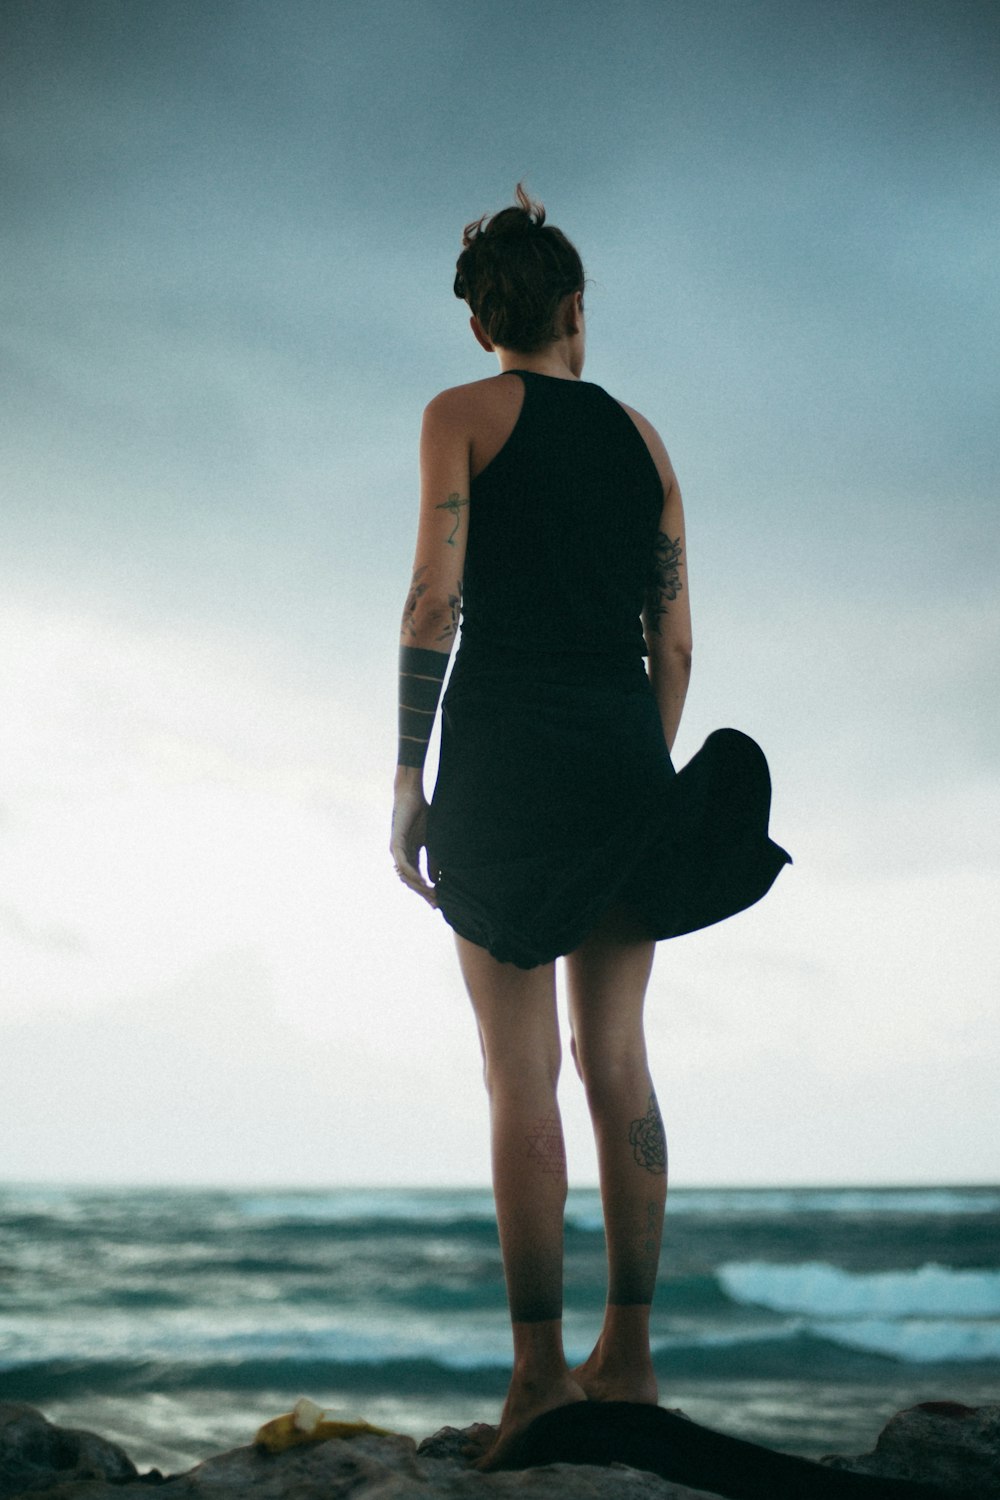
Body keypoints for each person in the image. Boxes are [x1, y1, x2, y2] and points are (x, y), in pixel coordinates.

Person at [390, 185, 789, 1469]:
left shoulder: (457, 416)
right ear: (575, 310)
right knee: (615, 1052)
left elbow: (430, 604)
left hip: (501, 763)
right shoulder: (644, 441)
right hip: (621, 755)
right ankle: (632, 1359)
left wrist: (407, 775)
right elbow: (673, 637)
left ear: (480, 325)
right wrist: (638, 769)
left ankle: (535, 1381)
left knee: (522, 1076)